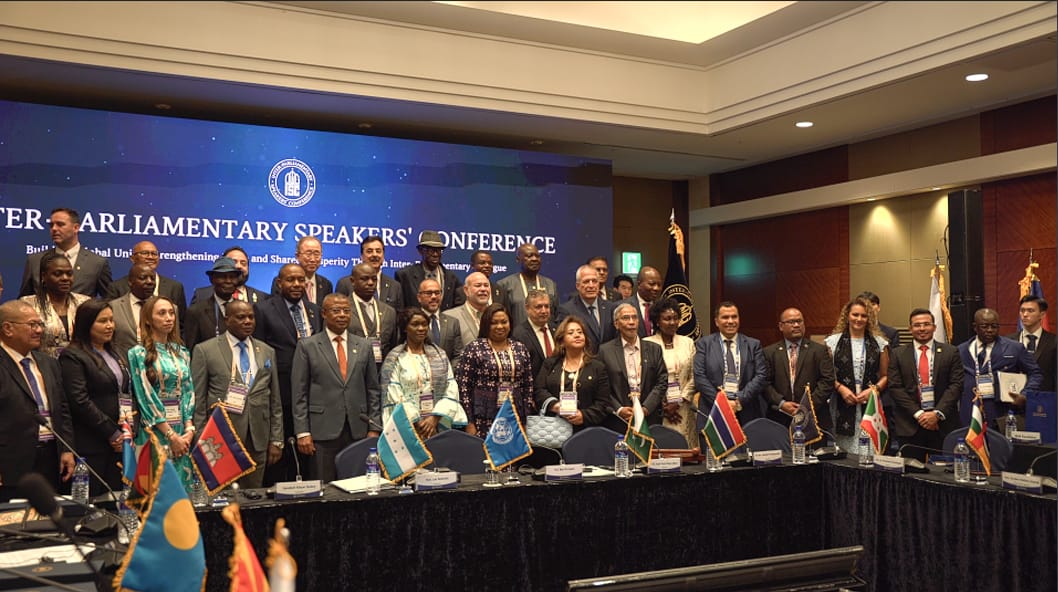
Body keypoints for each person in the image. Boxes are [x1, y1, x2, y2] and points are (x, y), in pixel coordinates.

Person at [191, 300, 283, 489]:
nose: (248, 321)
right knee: (223, 500)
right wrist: (200, 439)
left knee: (253, 497)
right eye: (241, 317)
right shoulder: (205, 350)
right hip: (219, 440)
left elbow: (275, 400)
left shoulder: (267, 351)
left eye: (251, 317)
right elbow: (198, 399)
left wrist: (276, 439)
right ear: (227, 320)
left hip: (258, 437)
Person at [292, 293, 381, 483]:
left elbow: (373, 389)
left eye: (346, 311)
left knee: (358, 484)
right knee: (325, 487)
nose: (342, 315)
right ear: (324, 314)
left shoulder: (364, 345)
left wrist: (374, 428)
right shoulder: (307, 346)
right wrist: (302, 432)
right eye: (336, 310)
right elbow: (299, 393)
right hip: (322, 430)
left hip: (358, 429)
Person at [253, 263, 322, 485]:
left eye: (301, 280)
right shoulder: (264, 309)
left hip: (311, 393)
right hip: (281, 394)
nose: (296, 284)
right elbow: (260, 353)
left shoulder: (314, 310)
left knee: (307, 461)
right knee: (280, 460)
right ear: (279, 283)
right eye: (290, 280)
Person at [0, 300, 75, 501]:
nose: (39, 330)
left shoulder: (48, 363)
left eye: (40, 324)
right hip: (11, 464)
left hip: (52, 459)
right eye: (32, 325)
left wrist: (67, 448)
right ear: (8, 328)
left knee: (50, 523)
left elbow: (63, 409)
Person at [58, 300, 131, 495]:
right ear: (86, 324)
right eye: (102, 321)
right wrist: (111, 433)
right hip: (91, 443)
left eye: (111, 320)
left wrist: (127, 431)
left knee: (116, 504)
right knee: (92, 509)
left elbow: (127, 392)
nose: (110, 326)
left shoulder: (116, 352)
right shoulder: (72, 356)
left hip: (120, 442)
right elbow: (79, 401)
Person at [127, 296, 196, 491]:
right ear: (148, 319)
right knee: (155, 493)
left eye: (171, 313)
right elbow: (144, 395)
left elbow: (188, 390)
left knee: (182, 494)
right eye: (161, 313)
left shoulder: (181, 351)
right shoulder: (138, 353)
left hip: (182, 431)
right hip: (155, 431)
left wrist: (188, 430)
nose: (169, 318)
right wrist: (171, 436)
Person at [887, 309, 963, 461]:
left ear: (934, 327)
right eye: (917, 325)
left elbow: (956, 385)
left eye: (926, 324)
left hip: (943, 424)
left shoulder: (951, 351)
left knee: (943, 474)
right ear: (910, 329)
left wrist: (937, 413)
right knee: (911, 474)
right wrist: (919, 414)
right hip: (910, 424)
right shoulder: (897, 353)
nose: (922, 329)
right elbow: (895, 387)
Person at [381, 308, 468, 439]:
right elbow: (394, 393)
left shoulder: (440, 355)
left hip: (438, 424)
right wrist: (417, 422)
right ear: (405, 328)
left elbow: (451, 387)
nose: (421, 328)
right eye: (415, 324)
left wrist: (434, 418)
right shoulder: (395, 358)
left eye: (424, 324)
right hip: (408, 426)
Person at [457, 303, 535, 436]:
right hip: (483, 418)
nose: (500, 326)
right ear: (486, 324)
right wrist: (469, 422)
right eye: (494, 323)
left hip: (514, 417)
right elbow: (464, 387)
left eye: (504, 322)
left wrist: (525, 421)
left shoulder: (520, 348)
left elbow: (527, 386)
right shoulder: (474, 348)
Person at [958, 308, 1042, 430]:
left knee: (999, 447)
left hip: (1001, 413)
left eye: (994, 326)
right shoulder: (960, 350)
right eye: (984, 326)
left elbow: (1036, 373)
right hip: (969, 413)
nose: (990, 330)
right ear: (975, 327)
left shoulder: (1014, 348)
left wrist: (1025, 395)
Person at [825, 297, 890, 454]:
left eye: (864, 316)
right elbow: (827, 375)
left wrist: (873, 390)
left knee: (869, 452)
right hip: (842, 403)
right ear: (847, 315)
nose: (859, 319)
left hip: (870, 405)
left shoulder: (880, 343)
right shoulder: (832, 342)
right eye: (855, 315)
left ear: (869, 319)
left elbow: (886, 376)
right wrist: (841, 389)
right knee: (844, 453)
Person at [534, 316, 614, 433]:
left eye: (580, 332)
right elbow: (538, 390)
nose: (577, 335)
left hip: (586, 431)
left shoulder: (597, 367)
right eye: (571, 333)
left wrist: (584, 415)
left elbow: (603, 403)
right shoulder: (550, 363)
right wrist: (555, 405)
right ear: (561, 341)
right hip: (553, 429)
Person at [693, 301, 768, 424]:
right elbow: (699, 377)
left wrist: (738, 401)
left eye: (734, 316)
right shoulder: (704, 344)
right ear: (716, 321)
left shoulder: (753, 345)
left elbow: (761, 376)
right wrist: (722, 403)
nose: (730, 321)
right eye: (725, 317)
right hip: (712, 409)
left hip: (746, 411)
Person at [762, 308, 835, 431]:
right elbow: (764, 383)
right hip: (780, 418)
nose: (796, 325)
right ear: (781, 326)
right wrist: (782, 403)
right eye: (791, 322)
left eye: (799, 321)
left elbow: (827, 381)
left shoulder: (819, 351)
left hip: (814, 417)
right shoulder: (769, 352)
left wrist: (807, 405)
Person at [598, 302, 668, 429]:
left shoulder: (654, 349)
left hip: (649, 418)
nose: (631, 322)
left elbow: (662, 381)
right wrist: (618, 409)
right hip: (618, 420)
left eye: (634, 317)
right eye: (626, 318)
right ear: (616, 324)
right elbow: (601, 386)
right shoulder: (605, 351)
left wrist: (646, 408)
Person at [19, 207, 112, 299]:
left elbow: (109, 300)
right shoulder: (35, 260)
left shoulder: (97, 263)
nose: (54, 229)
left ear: (76, 228)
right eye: (51, 225)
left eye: (60, 224)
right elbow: (24, 300)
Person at [646, 298, 698, 447]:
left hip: (684, 407)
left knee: (687, 453)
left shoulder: (688, 342)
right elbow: (646, 380)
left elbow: (694, 376)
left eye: (676, 318)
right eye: (667, 319)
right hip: (658, 410)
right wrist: (663, 406)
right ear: (657, 321)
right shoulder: (647, 344)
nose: (672, 322)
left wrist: (679, 400)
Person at [20, 251, 91, 358]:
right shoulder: (28, 304)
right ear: (44, 276)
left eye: (69, 274)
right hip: (42, 367)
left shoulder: (84, 302)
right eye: (58, 274)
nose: (65, 278)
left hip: (80, 367)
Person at [106, 240, 188, 326]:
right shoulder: (116, 287)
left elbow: (182, 325)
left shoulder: (175, 287)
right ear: (132, 258)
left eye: (154, 254)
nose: (150, 257)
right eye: (145, 253)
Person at [345, 262, 398, 368]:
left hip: (382, 372)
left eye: (374, 279)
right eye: (364, 279)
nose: (370, 283)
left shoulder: (389, 311)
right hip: (352, 372)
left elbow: (393, 345)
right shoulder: (342, 310)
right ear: (352, 281)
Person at [395, 230, 464, 311]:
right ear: (420, 251)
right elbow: (400, 309)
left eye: (438, 250)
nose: (435, 254)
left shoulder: (451, 278)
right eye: (431, 250)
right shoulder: (405, 276)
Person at [184, 256, 241, 350]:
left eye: (232, 277)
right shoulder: (196, 312)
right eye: (223, 277)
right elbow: (191, 349)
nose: (228, 281)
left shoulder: (245, 310)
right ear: (212, 279)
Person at [496, 243, 558, 328]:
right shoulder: (505, 285)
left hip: (545, 337)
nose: (534, 259)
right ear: (518, 259)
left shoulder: (550, 284)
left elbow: (556, 315)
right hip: (517, 337)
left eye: (537, 256)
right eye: (529, 256)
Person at [556, 264, 616, 353]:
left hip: (608, 363)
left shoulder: (610, 307)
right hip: (583, 362)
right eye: (586, 281)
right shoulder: (567, 310)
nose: (591, 285)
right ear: (578, 286)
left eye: (594, 281)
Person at [338, 235, 403, 310]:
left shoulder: (395, 286)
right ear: (361, 256)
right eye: (369, 251)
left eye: (378, 251)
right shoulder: (345, 283)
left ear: (383, 256)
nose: (375, 255)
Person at [190, 246, 267, 305]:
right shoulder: (202, 295)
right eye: (234, 262)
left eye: (243, 263)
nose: (239, 266)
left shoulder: (263, 298)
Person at [1009, 295, 1056, 392]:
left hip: (1044, 400)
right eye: (1022, 310)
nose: (1025, 314)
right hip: (1014, 397)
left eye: (1030, 311)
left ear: (1042, 315)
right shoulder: (1008, 341)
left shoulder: (1054, 342)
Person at [272, 236, 332, 309]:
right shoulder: (283, 281)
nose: (312, 259)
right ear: (297, 256)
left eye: (317, 254)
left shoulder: (326, 284)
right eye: (308, 254)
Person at [110, 263, 157, 356]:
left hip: (159, 365)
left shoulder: (169, 308)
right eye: (143, 278)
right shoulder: (113, 307)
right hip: (124, 363)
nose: (149, 282)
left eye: (153, 278)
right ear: (130, 282)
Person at [510, 288, 557, 380]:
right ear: (527, 308)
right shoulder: (519, 335)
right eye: (538, 307)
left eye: (546, 306)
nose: (544, 311)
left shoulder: (557, 330)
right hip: (533, 389)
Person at [443, 272, 493, 352]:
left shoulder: (497, 316)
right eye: (478, 285)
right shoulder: (449, 317)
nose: (483, 289)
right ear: (466, 290)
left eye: (486, 285)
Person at [417, 278, 462, 361]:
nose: (434, 297)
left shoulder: (453, 322)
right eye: (429, 293)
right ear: (419, 297)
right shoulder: (412, 322)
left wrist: (448, 372)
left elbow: (458, 355)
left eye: (437, 293)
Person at [621, 266, 662, 338]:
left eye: (659, 285)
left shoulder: (661, 307)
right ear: (639, 284)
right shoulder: (622, 306)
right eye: (652, 284)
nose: (656, 288)